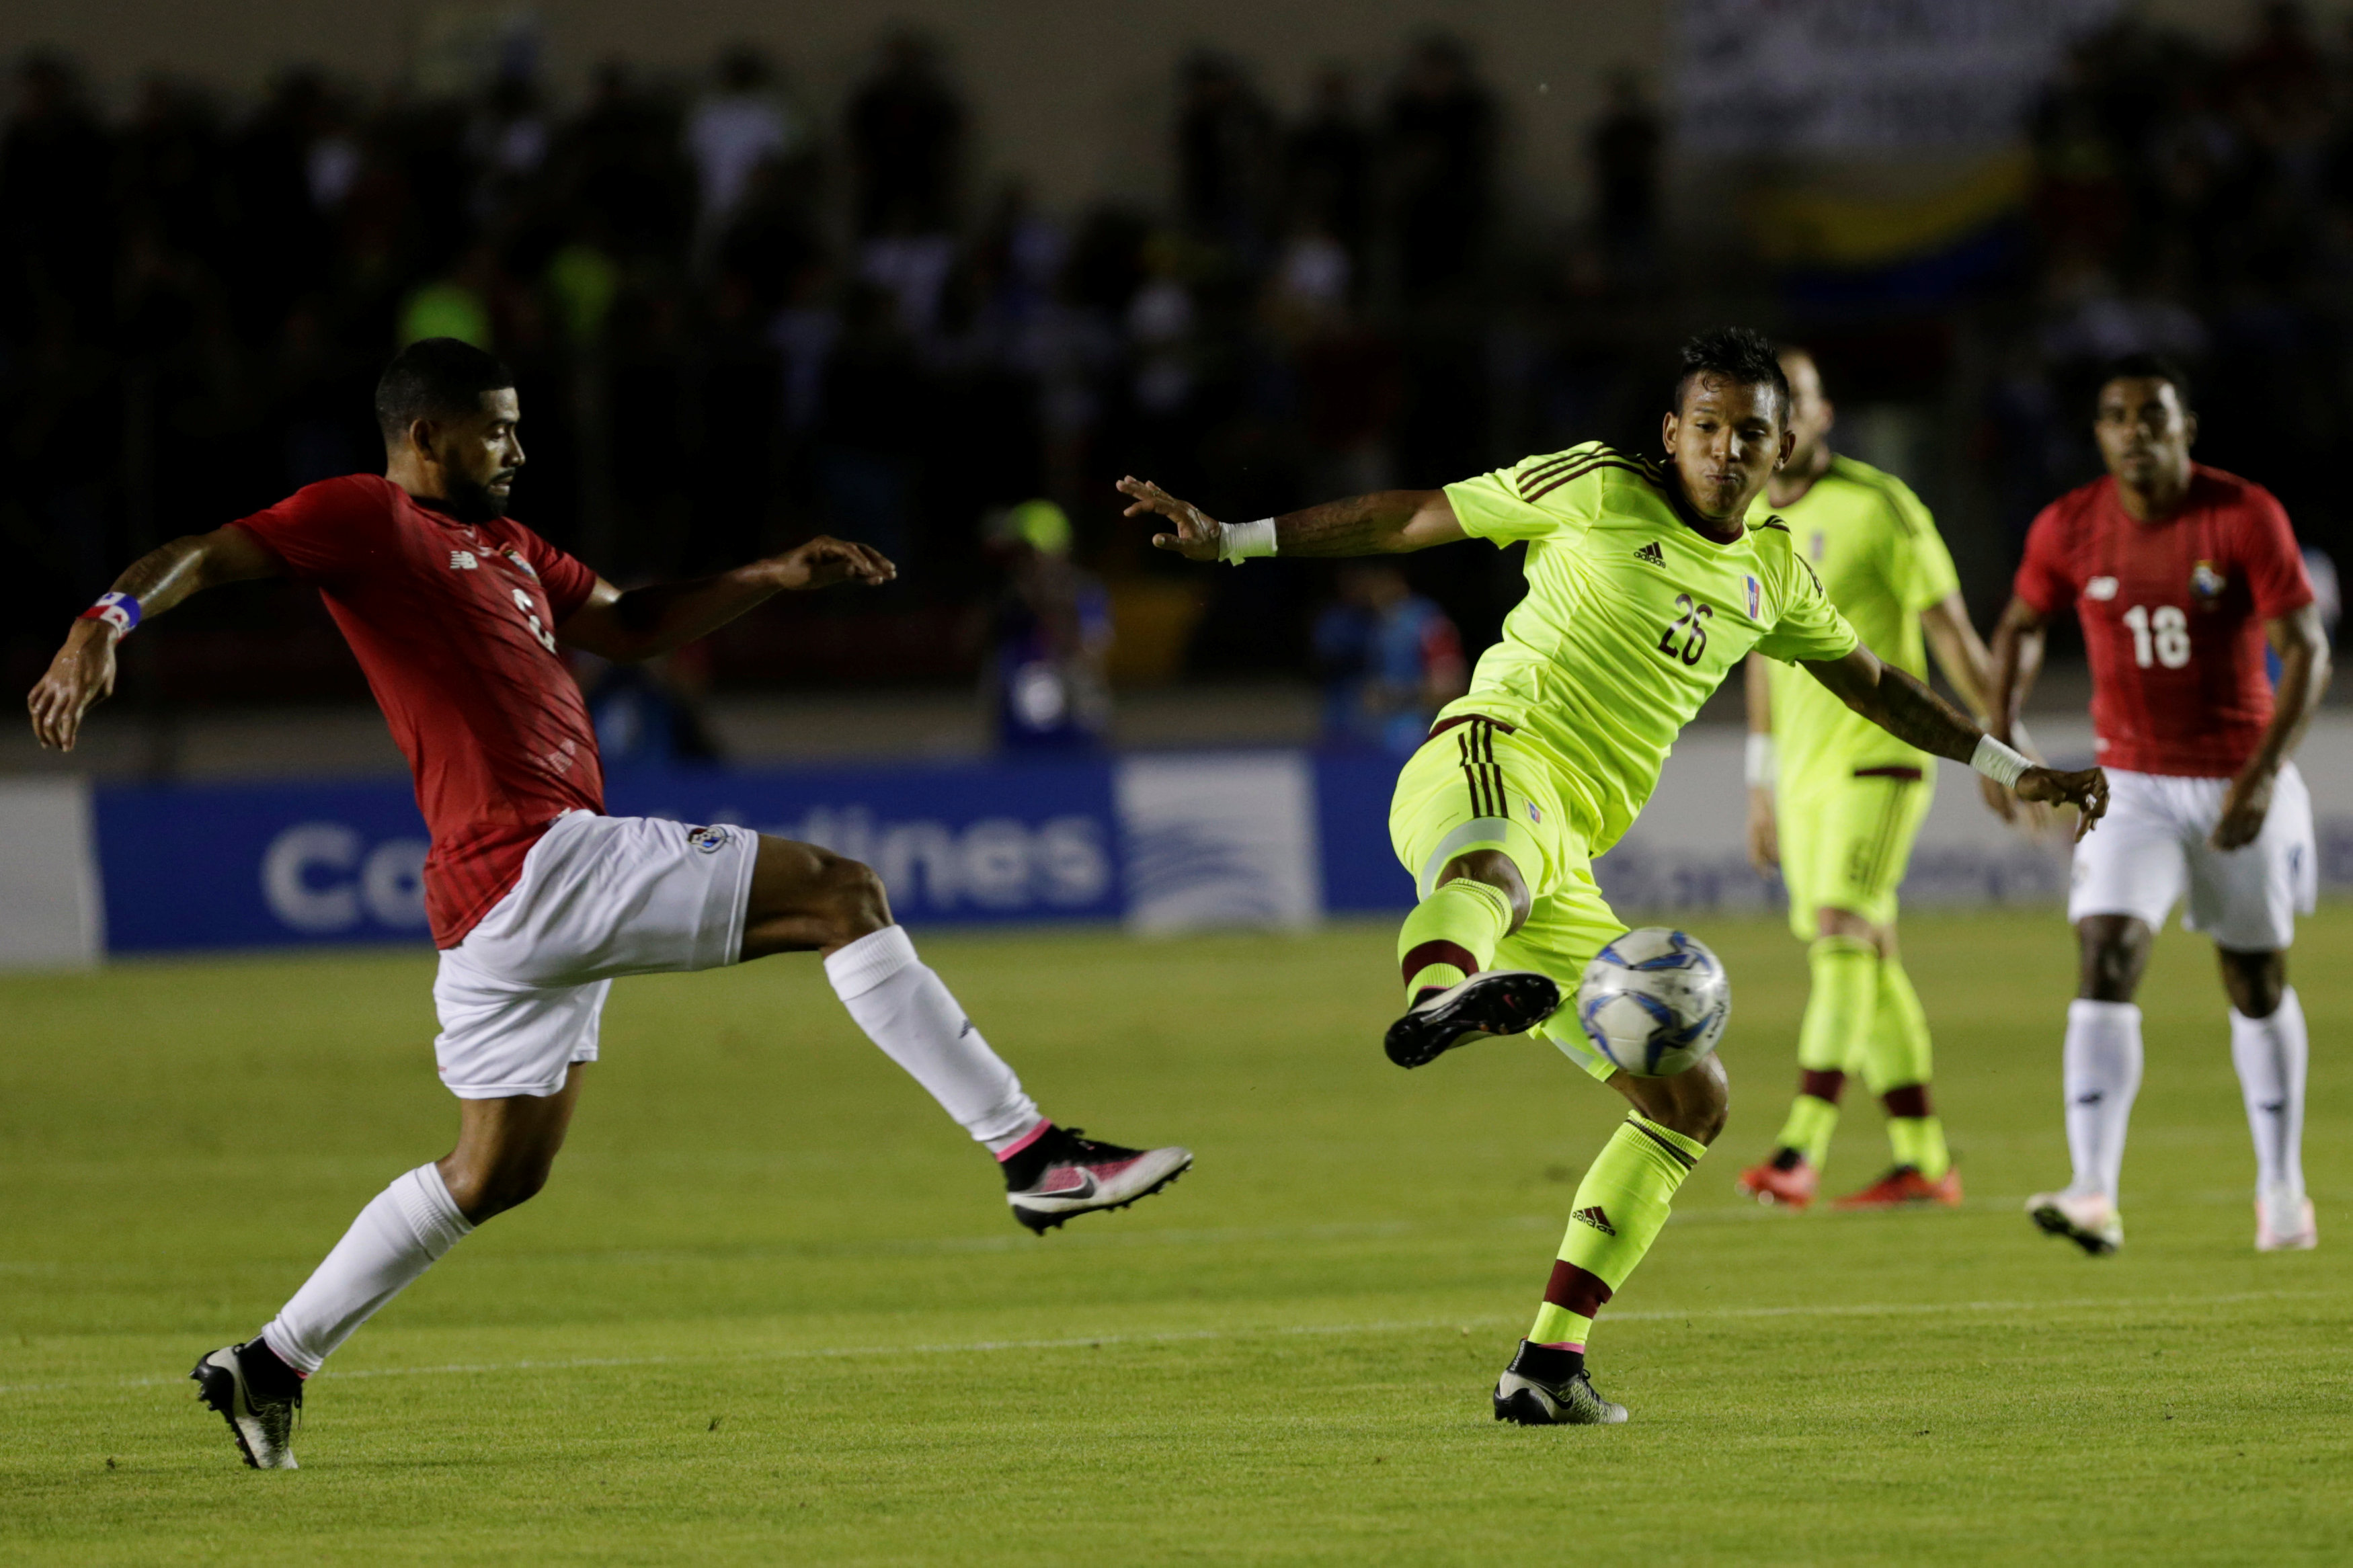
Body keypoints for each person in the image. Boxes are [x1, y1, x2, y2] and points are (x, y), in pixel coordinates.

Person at [26, 339, 1191, 1470]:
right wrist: (103, 622)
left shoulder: (512, 544)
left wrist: (770, 578)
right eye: (499, 426)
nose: (520, 446)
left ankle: (273, 1362)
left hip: (496, 911)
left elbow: (629, 626)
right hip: (536, 858)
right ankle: (1032, 1151)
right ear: (426, 435)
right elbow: (207, 550)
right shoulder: (364, 518)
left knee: (496, 1172)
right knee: (843, 893)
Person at [1120, 327, 2108, 1425]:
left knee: (1690, 1098)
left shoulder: (1774, 570)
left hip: (1570, 849)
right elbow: (1413, 513)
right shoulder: (1593, 485)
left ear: (1784, 448)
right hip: (1490, 750)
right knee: (1493, 861)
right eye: (1708, 427)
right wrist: (1233, 538)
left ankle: (1546, 1362)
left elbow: (1879, 686)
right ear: (1670, 433)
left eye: (1752, 433)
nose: (1727, 449)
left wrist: (2020, 768)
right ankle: (1435, 994)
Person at [1988, 353, 2329, 1257]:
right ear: (2099, 434)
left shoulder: (2243, 514)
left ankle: (2282, 1189)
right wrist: (2000, 733)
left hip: (2236, 775)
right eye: (2116, 416)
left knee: (2254, 982)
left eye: (2153, 414)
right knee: (2105, 953)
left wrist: (2259, 781)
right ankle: (2094, 1190)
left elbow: (2308, 652)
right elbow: (2021, 625)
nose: (2134, 430)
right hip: (2129, 783)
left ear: (2186, 428)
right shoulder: (2069, 526)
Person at [1732, 347, 2013, 1212]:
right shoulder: (1741, 524)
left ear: (1820, 417)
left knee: (1841, 931)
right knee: (1868, 959)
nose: (1785, 424)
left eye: (1801, 405)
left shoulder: (1880, 505)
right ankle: (1922, 1158)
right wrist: (1760, 778)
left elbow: (1955, 636)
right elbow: (1757, 656)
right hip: (1804, 774)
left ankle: (1797, 1150)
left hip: (1881, 756)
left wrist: (2000, 746)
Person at [1312, 562, 1468, 755]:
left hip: (1417, 736)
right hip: (1373, 737)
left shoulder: (1427, 621)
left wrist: (1392, 697)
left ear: (1393, 579)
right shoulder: (1373, 622)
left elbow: (1451, 686)